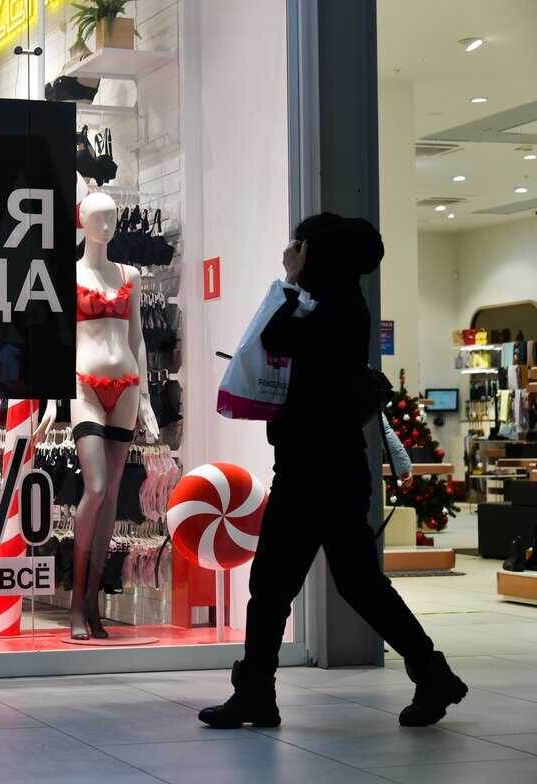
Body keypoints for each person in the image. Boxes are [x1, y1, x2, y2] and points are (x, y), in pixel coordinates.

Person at [199, 213, 467, 729]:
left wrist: (288, 278)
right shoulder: (342, 305)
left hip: (313, 472)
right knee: (353, 584)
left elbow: (276, 336)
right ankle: (431, 674)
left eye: (299, 245)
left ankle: (257, 694)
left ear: (317, 254)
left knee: (276, 586)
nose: (292, 250)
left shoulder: (335, 309)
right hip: (330, 468)